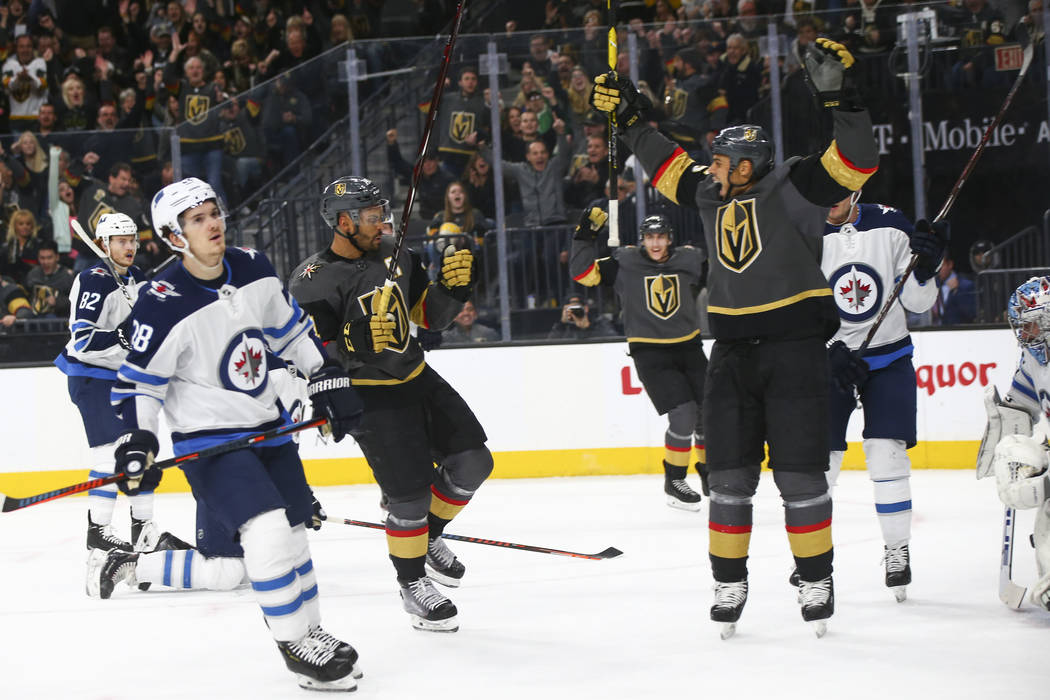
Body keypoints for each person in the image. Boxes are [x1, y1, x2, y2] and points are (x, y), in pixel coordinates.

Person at [590, 36, 879, 636]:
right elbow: (668, 163)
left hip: (796, 352)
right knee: (727, 479)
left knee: (800, 478)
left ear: (746, 165)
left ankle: (815, 577)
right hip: (730, 356)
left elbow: (855, 163)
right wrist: (631, 118)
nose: (711, 167)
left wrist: (845, 102)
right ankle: (728, 582)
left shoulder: (796, 184)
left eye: (721, 160)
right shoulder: (708, 192)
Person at [102, 178, 365, 691]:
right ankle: (294, 643)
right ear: (174, 237)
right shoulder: (161, 301)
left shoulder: (252, 266)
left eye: (213, 212)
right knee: (266, 533)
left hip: (268, 428)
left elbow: (290, 330)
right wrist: (138, 440)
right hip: (211, 443)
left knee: (294, 534)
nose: (213, 224)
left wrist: (325, 375)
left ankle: (312, 630)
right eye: (197, 219)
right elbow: (140, 384)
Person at [288, 176, 493, 633]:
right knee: (410, 497)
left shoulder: (397, 254)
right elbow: (310, 355)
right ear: (343, 222)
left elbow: (429, 317)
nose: (383, 222)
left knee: (474, 462)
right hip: (367, 394)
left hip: (416, 376)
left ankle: (427, 537)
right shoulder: (311, 281)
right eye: (371, 216)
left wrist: (453, 290)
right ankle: (413, 583)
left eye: (383, 213)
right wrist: (353, 340)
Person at [820, 191, 945, 602]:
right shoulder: (802, 231)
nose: (829, 199)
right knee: (819, 464)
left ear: (855, 187)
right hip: (829, 361)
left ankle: (897, 550)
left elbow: (918, 302)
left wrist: (925, 269)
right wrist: (826, 349)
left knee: (887, 453)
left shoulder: (890, 223)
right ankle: (812, 558)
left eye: (837, 189)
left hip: (889, 356)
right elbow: (793, 307)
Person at [54, 213, 181, 559]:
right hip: (91, 377)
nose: (129, 246)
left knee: (141, 447)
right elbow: (82, 340)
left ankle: (144, 529)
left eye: (132, 240)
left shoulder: (136, 276)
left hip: (123, 376)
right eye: (121, 241)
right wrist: (120, 335)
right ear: (104, 245)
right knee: (109, 453)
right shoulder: (94, 279)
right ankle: (98, 532)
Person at [572, 213, 708, 508]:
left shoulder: (689, 259)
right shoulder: (625, 263)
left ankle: (710, 471)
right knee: (683, 413)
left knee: (708, 412)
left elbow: (726, 273)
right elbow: (583, 275)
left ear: (669, 239)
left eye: (660, 237)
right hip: (650, 351)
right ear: (642, 240)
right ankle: (675, 480)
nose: (655, 243)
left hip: (689, 346)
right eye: (650, 237)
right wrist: (584, 238)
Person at [988, 276, 1050, 612]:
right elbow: (1021, 405)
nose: (1024, 334)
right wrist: (1004, 417)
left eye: (1029, 325)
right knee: (1011, 454)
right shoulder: (1034, 359)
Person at [24, 239, 74, 317]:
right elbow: (24, 294)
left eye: (49, 258)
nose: (45, 262)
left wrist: (57, 302)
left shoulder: (67, 277)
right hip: (33, 318)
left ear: (57, 257)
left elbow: (76, 301)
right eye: (42, 258)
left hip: (58, 319)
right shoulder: (32, 274)